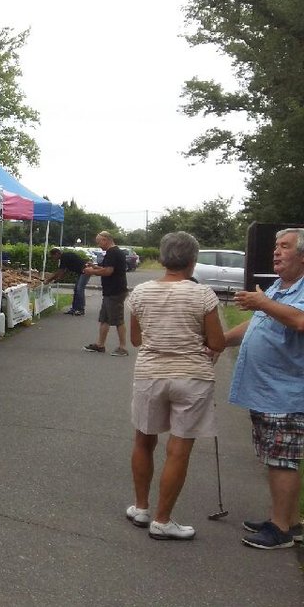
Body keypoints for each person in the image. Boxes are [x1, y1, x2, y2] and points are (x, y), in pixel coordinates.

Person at [124, 232, 225, 541]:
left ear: (163, 258)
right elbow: (218, 342)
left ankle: (141, 508)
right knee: (178, 449)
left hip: (150, 375)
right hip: (192, 377)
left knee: (144, 441)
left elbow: (136, 340)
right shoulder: (204, 294)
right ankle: (163, 520)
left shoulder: (139, 293)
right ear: (192, 262)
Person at [223, 227, 304, 550]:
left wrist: (262, 303)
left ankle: (280, 529)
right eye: (275, 246)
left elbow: (299, 322)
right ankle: (289, 521)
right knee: (276, 458)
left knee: (283, 460)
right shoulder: (280, 287)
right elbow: (259, 321)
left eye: (284, 247)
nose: (276, 252)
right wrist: (219, 341)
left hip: (287, 392)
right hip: (268, 391)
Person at [83, 231, 129, 355]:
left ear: (106, 240)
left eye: (99, 242)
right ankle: (100, 345)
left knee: (118, 320)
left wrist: (91, 271)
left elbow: (108, 271)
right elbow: (106, 268)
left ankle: (123, 347)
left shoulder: (113, 252)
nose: (99, 245)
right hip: (110, 291)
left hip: (115, 290)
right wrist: (94, 266)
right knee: (105, 319)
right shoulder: (112, 252)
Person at [45, 248, 87, 315]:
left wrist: (49, 280)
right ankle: (74, 308)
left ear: (57, 254)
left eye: (53, 256)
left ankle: (81, 309)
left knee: (79, 289)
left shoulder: (64, 257)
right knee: (76, 290)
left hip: (86, 271)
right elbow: (65, 270)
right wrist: (59, 278)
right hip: (82, 272)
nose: (53, 258)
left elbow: (60, 271)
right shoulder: (65, 256)